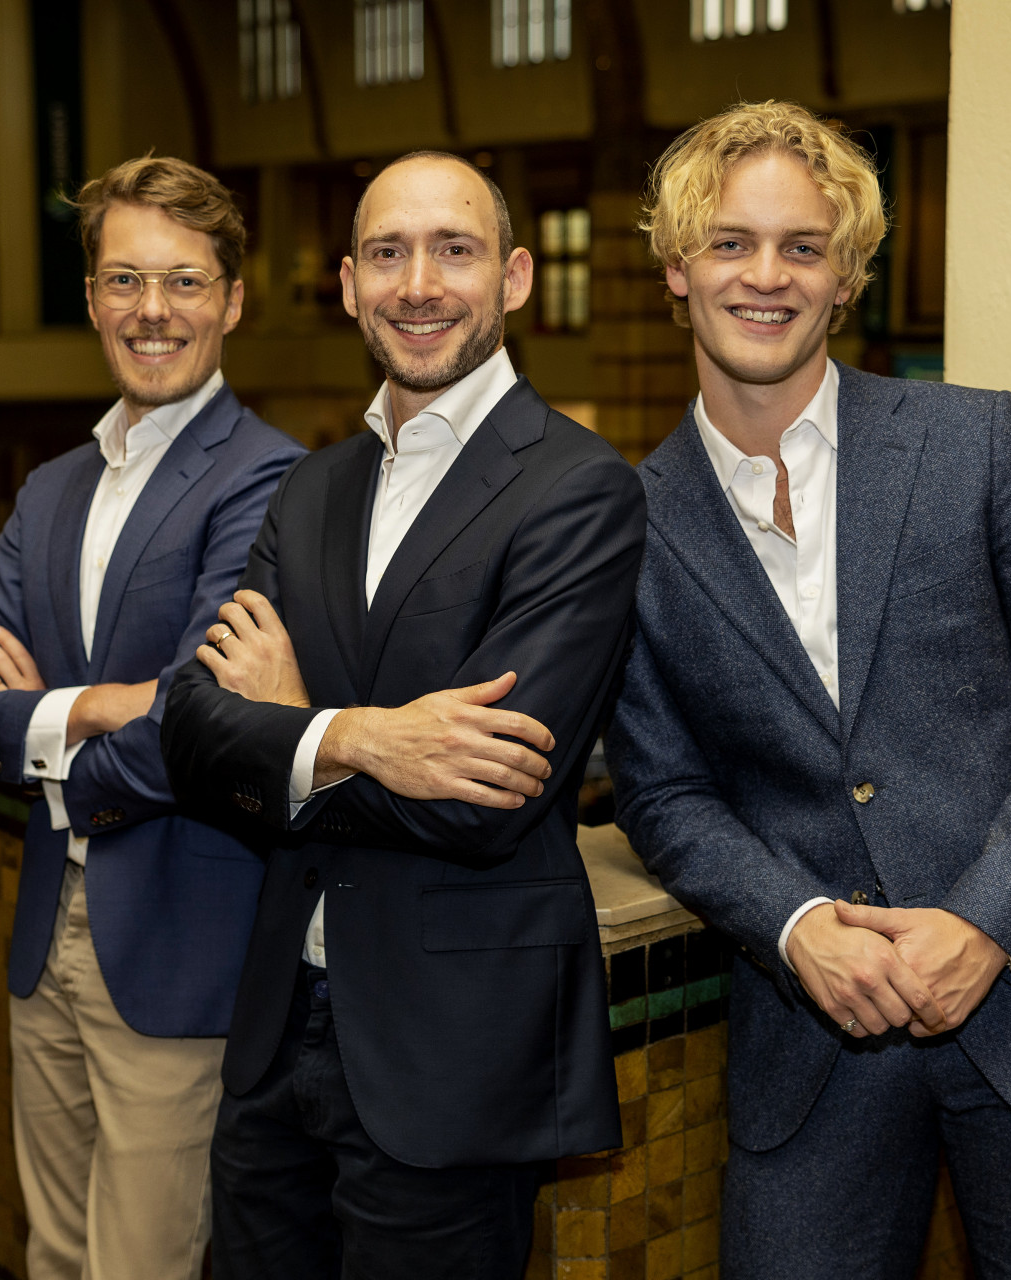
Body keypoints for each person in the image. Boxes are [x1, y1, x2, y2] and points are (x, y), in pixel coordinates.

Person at [605, 100, 1011, 1279]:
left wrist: (988, 919)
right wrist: (793, 922)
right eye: (729, 242)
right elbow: (663, 793)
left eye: (803, 247)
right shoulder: (629, 525)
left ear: (848, 275)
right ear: (676, 267)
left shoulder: (978, 441)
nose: (766, 275)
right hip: (814, 1048)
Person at [159, 150, 643, 1279]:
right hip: (276, 1035)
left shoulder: (580, 488)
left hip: (449, 1053)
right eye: (387, 253)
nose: (418, 284)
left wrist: (286, 731)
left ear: (514, 277)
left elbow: (480, 800)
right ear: (347, 284)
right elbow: (189, 734)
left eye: (453, 250)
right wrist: (361, 737)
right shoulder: (310, 487)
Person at [0, 156, 302, 1280]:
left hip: (178, 946)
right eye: (125, 279)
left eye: (184, 281)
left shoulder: (270, 479)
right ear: (90, 298)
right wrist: (92, 706)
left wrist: (38, 732)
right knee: (54, 1253)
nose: (152, 310)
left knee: (141, 1264)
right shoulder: (49, 489)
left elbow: (197, 726)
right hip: (47, 937)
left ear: (233, 300)